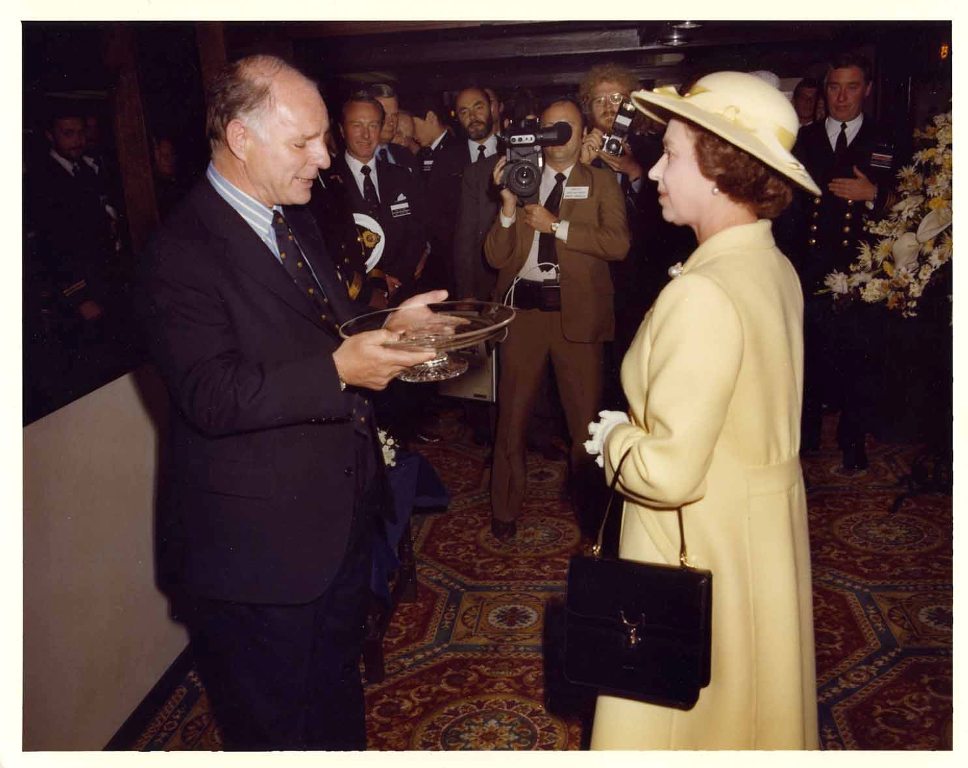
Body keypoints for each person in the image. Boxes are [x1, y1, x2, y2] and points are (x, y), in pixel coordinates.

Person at [135, 54, 443, 751]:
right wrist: (340, 368)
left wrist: (388, 328)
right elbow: (212, 395)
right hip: (259, 555)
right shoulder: (177, 252)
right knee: (274, 728)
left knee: (333, 698)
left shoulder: (291, 222)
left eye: (324, 138)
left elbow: (321, 336)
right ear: (241, 138)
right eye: (304, 142)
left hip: (333, 524)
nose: (325, 157)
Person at [584, 71, 821, 749]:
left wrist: (617, 440)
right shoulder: (769, 264)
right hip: (757, 540)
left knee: (685, 724)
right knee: (749, 712)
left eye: (673, 155)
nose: (654, 167)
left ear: (720, 173)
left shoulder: (705, 292)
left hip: (697, 541)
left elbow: (669, 474)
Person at [485, 98, 629, 541]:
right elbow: (496, 256)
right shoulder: (522, 178)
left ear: (583, 131)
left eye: (564, 128)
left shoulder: (600, 182)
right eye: (548, 128)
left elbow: (618, 244)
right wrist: (508, 205)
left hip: (578, 319)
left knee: (584, 427)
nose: (555, 138)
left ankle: (592, 518)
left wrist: (557, 227)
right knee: (511, 419)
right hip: (524, 316)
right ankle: (505, 510)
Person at [789, 52, 898, 469]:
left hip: (864, 269)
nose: (842, 96)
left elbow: (910, 203)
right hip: (812, 265)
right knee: (808, 357)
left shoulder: (888, 138)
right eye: (835, 86)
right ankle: (806, 438)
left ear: (866, 90)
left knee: (860, 361)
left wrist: (874, 197)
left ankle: (854, 442)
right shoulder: (804, 140)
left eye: (852, 87)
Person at [313, 91, 426, 307]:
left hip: (401, 295)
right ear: (341, 130)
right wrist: (373, 284)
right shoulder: (323, 182)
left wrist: (394, 279)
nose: (366, 135)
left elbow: (417, 232)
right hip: (354, 300)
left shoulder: (401, 176)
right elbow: (326, 246)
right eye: (357, 125)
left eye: (373, 125)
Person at [369, 82, 415, 170]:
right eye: (385, 114)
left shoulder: (406, 156)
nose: (391, 122)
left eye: (394, 115)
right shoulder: (359, 158)